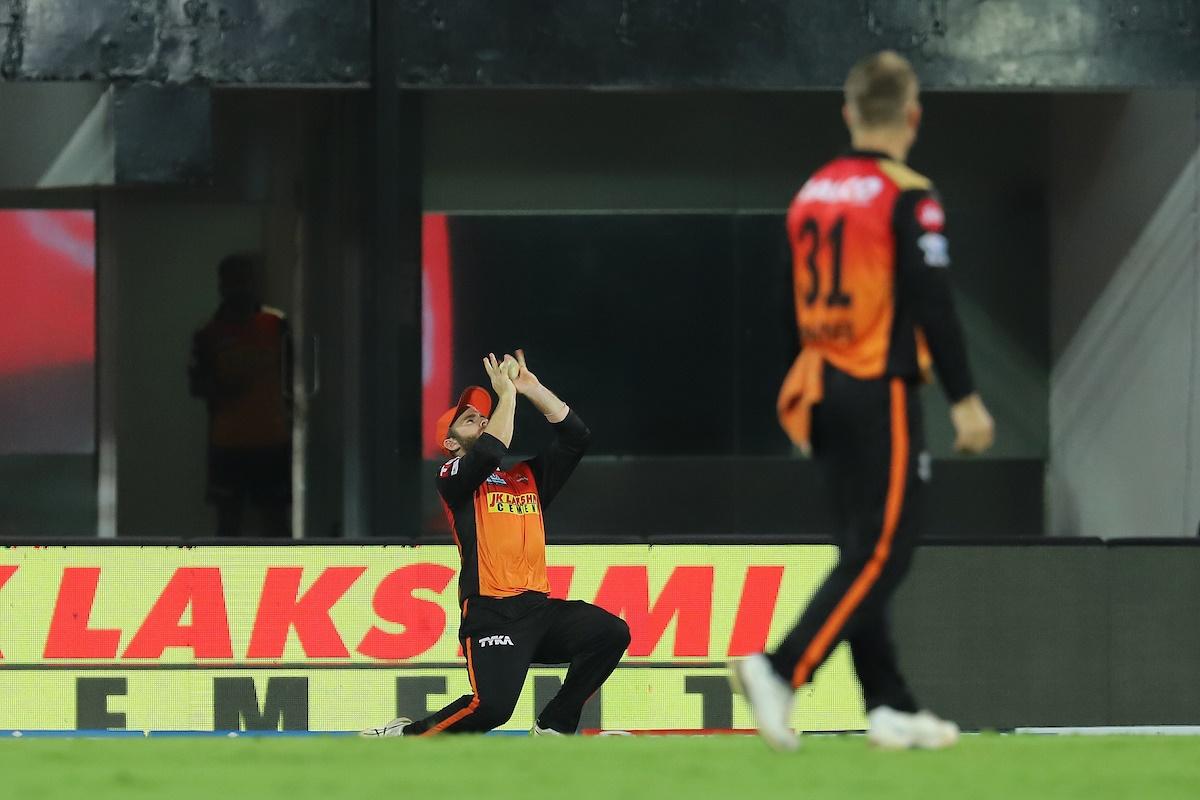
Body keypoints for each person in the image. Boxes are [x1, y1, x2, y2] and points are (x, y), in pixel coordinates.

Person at [732, 51, 995, 751]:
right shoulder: (907, 193)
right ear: (912, 118)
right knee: (887, 550)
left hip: (820, 387)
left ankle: (888, 703)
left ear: (849, 113)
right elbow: (933, 300)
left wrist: (799, 395)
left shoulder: (811, 193)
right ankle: (780, 669)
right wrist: (966, 399)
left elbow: (788, 309)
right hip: (880, 387)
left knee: (859, 546)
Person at [362, 350, 630, 737]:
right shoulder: (453, 477)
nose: (483, 421)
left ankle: (554, 726)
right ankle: (405, 736)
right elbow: (490, 451)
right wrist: (505, 398)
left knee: (610, 633)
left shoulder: (527, 478)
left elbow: (576, 436)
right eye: (470, 420)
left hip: (537, 608)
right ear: (451, 444)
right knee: (490, 709)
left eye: (483, 417)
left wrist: (531, 389)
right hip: (491, 613)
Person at [188, 253, 292, 538]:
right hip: (228, 444)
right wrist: (225, 388)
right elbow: (196, 385)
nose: (240, 288)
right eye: (234, 281)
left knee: (276, 523)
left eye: (245, 280)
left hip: (272, 441)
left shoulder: (276, 325)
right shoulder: (208, 333)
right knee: (228, 524)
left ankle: (285, 580)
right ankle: (228, 580)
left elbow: (296, 378)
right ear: (222, 285)